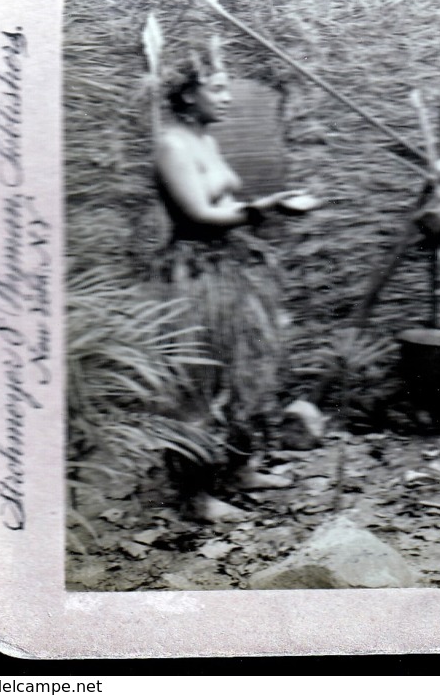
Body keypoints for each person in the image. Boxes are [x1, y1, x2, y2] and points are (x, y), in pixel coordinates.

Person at [152, 37, 309, 522]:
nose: (227, 97)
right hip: (196, 273)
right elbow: (200, 213)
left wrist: (268, 204)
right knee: (199, 381)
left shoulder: (206, 139)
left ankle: (239, 468)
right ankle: (194, 496)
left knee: (247, 370)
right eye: (216, 88)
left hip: (230, 265)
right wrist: (265, 208)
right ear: (186, 93)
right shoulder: (170, 143)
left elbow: (225, 205)